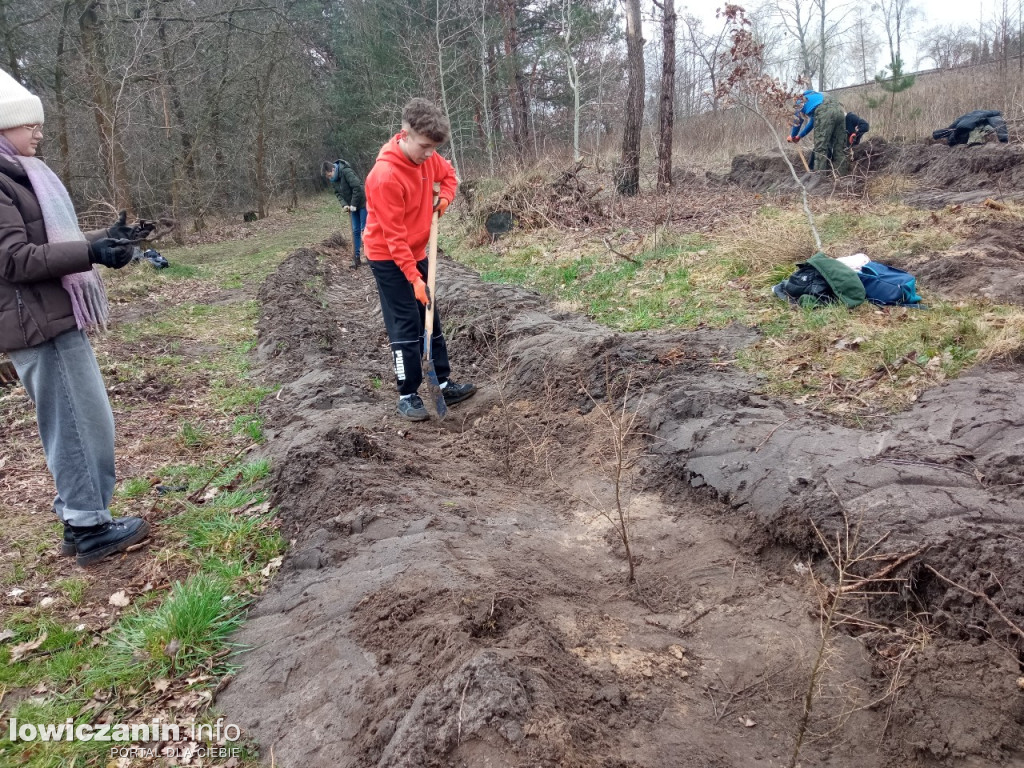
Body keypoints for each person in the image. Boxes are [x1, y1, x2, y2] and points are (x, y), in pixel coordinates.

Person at [0, 68, 152, 566]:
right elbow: (15, 259)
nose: (38, 132)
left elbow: (46, 240)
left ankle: (79, 516)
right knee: (78, 424)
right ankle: (89, 528)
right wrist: (89, 254)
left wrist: (103, 239)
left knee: (82, 422)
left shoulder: (22, 175)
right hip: (36, 324)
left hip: (47, 318)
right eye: (28, 125)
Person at [363, 98, 476, 422]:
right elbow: (393, 237)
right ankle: (407, 394)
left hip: (416, 251)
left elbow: (449, 175)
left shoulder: (428, 159)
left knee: (430, 315)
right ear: (405, 134)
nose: (430, 154)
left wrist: (445, 200)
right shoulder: (384, 176)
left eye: (434, 148)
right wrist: (413, 279)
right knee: (406, 323)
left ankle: (442, 382)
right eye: (425, 146)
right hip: (388, 256)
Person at [786, 89, 849, 176]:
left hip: (825, 112)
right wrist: (800, 136)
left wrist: (792, 136)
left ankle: (819, 178)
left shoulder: (800, 100)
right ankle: (843, 175)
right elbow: (812, 123)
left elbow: (797, 121)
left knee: (820, 148)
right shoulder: (818, 96)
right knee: (839, 146)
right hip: (840, 111)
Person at [323, 158, 367, 269]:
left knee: (364, 230)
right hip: (352, 207)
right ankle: (356, 258)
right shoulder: (334, 180)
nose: (329, 178)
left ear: (333, 169)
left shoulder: (346, 171)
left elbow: (358, 187)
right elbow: (338, 193)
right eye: (327, 177)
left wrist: (353, 204)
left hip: (362, 203)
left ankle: (370, 256)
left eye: (329, 175)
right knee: (355, 230)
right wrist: (345, 205)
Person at [932, 110, 1009, 146]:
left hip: (960, 134)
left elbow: (951, 128)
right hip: (964, 135)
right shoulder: (992, 117)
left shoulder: (963, 118)